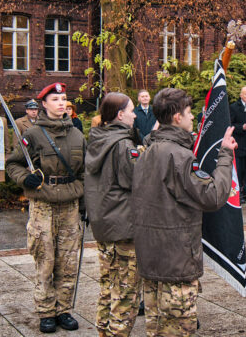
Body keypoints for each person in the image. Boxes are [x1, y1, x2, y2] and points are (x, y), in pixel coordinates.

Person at [131, 88, 237, 336]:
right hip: (175, 259)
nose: (194, 118)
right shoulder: (178, 155)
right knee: (177, 329)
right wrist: (225, 155)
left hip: (152, 255)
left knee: (156, 327)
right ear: (177, 117)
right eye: (189, 113)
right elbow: (212, 196)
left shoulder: (149, 150)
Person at [6, 82, 86, 333]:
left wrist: (86, 206)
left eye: (64, 99)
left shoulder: (77, 135)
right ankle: (46, 311)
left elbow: (85, 173)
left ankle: (64, 310)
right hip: (43, 204)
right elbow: (13, 164)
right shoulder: (33, 134)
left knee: (68, 260)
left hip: (70, 205)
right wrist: (24, 178)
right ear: (44, 104)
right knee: (45, 259)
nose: (61, 103)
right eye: (55, 99)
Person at [85, 92, 142, 337]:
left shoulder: (97, 139)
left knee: (108, 287)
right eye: (131, 110)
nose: (135, 114)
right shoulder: (122, 144)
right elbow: (135, 181)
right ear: (120, 115)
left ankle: (103, 331)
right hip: (123, 228)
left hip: (104, 225)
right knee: (126, 292)